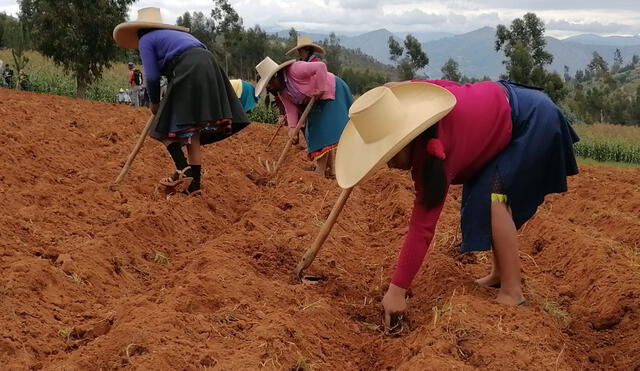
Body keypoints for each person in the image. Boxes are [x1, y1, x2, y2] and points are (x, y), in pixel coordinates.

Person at [333, 80, 579, 330]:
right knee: (486, 194)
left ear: (407, 139)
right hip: (506, 119)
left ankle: (512, 292)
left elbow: (422, 228)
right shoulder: (427, 111)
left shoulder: (433, 155)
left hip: (532, 119)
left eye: (390, 153)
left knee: (496, 197)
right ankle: (498, 274)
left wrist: (397, 291)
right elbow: (433, 85)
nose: (388, 164)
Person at [113, 7, 249, 195]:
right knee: (192, 132)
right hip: (209, 65)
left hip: (189, 68)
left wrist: (154, 103)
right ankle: (194, 186)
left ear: (138, 31)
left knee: (161, 129)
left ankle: (183, 169)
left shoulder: (145, 40)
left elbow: (151, 77)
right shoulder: (171, 36)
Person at [255, 57, 353, 177]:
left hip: (332, 90)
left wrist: (321, 89)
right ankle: (329, 170)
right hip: (317, 100)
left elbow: (320, 66)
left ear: (275, 76)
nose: (269, 87)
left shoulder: (295, 69)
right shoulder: (282, 93)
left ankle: (320, 172)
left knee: (321, 132)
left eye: (269, 82)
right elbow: (291, 111)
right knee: (317, 131)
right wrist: (292, 130)